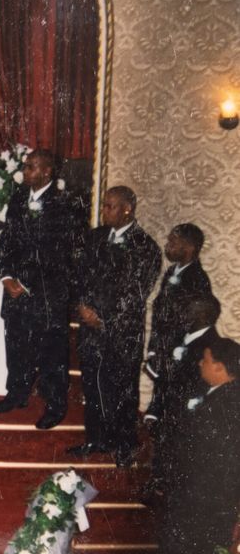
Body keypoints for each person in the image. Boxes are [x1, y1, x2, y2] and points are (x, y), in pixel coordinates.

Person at [70, 186, 161, 467]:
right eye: (104, 205)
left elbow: (136, 294)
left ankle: (124, 446)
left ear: (127, 210)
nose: (104, 211)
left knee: (123, 390)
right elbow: (78, 275)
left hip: (122, 332)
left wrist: (104, 319)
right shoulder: (95, 236)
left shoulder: (146, 247)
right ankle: (96, 438)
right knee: (92, 384)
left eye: (110, 206)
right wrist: (82, 306)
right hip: (89, 328)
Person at [0, 149, 79, 429]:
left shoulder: (64, 204)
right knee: (16, 345)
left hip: (46, 293)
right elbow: (7, 241)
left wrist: (25, 282)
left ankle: (55, 405)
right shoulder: (18, 198)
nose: (25, 172)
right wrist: (6, 276)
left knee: (51, 353)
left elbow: (60, 253)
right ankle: (17, 393)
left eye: (31, 167)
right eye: (25, 166)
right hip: (15, 289)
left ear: (47, 171)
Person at [157, 337, 240, 554]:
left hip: (197, 509)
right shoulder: (226, 398)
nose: (200, 364)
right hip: (210, 509)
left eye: (205, 359)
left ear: (219, 367)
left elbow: (207, 462)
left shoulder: (220, 407)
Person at [145, 293, 219, 499]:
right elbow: (164, 378)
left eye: (189, 310)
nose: (182, 313)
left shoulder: (211, 347)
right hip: (169, 416)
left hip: (187, 420)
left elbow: (197, 388)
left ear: (203, 316)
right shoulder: (181, 337)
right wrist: (153, 411)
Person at [144, 223, 212, 397]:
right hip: (163, 354)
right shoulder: (171, 272)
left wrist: (171, 355)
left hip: (180, 357)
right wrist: (153, 351)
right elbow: (159, 314)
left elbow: (192, 324)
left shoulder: (197, 279)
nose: (167, 246)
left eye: (173, 243)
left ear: (189, 247)